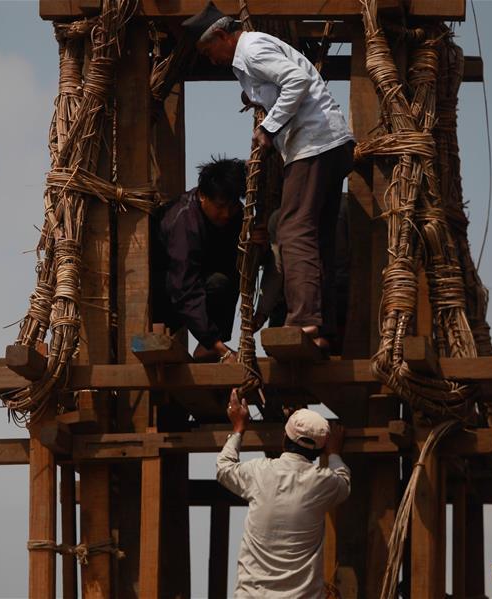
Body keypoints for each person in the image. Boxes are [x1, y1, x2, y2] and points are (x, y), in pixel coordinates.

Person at [183, 2, 356, 351]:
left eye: (208, 50)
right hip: (330, 144)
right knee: (316, 236)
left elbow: (298, 80)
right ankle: (323, 329)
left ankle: (305, 321)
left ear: (220, 35)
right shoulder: (251, 55)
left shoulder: (251, 49)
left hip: (314, 145)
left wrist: (269, 127)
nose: (210, 58)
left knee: (292, 230)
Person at [216, 392, 351, 597]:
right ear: (318, 453)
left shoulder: (259, 471)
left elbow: (224, 468)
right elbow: (343, 481)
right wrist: (334, 453)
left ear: (284, 439)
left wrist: (238, 429)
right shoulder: (322, 483)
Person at [151, 157, 247, 362]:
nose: (226, 214)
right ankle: (210, 344)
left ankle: (210, 344)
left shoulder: (235, 215)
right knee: (218, 282)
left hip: (195, 285)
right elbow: (184, 288)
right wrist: (219, 347)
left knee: (235, 266)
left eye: (232, 206)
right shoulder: (183, 222)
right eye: (220, 207)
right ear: (203, 196)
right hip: (163, 297)